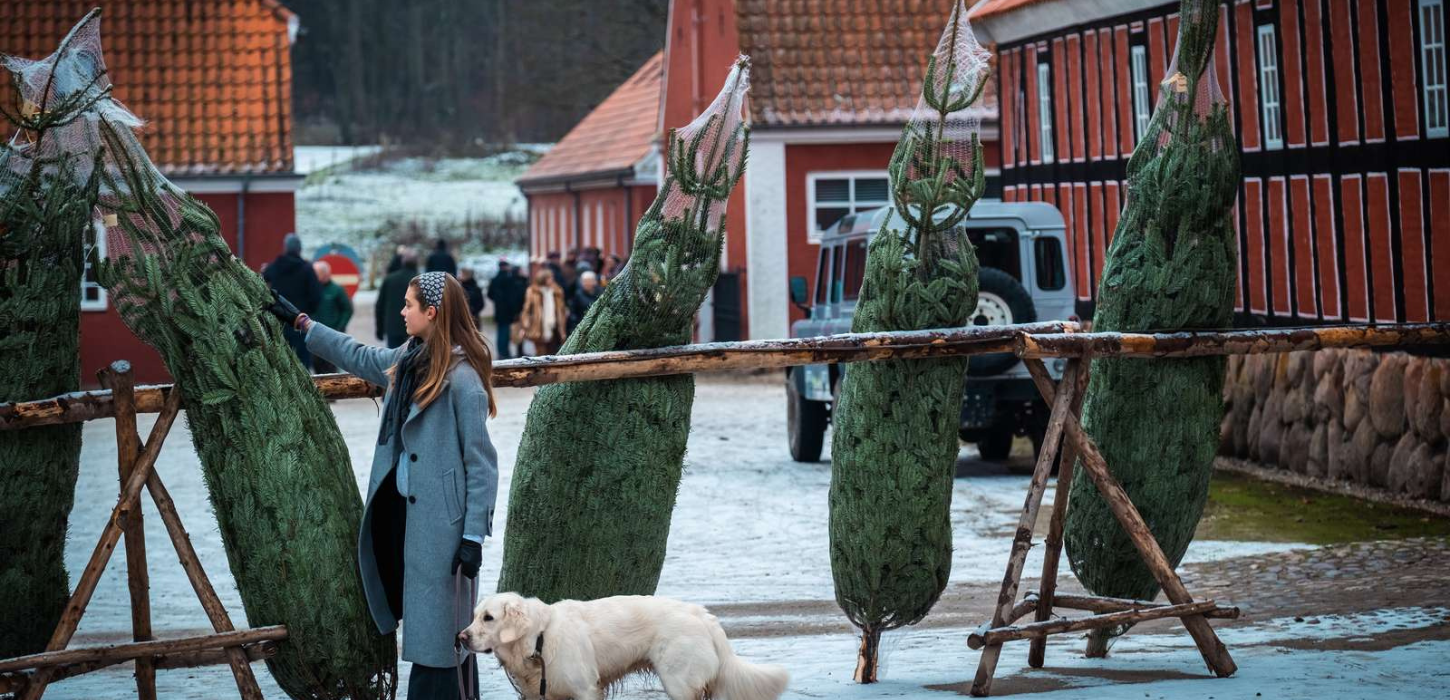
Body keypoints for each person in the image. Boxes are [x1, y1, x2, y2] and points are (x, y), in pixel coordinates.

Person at [266, 272, 498, 700]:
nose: (401, 311)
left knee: (440, 640)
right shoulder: (407, 360)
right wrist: (302, 323)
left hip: (443, 532)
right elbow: (357, 353)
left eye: (409, 305)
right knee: (424, 629)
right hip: (401, 519)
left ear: (431, 313)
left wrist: (471, 537)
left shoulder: (463, 380)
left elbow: (482, 464)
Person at [263, 232, 322, 369]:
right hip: (301, 323)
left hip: (279, 323)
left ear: (285, 248)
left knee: (281, 364)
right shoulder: (307, 269)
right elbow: (317, 297)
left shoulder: (275, 267)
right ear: (299, 249)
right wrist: (308, 312)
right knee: (303, 366)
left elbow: (262, 283)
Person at [311, 260, 354, 373]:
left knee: (331, 369)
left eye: (317, 273)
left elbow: (347, 310)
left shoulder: (337, 290)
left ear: (326, 274)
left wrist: (340, 327)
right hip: (314, 334)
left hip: (332, 336)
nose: (314, 276)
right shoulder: (312, 289)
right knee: (316, 368)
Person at [517, 268, 567, 355]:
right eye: (549, 278)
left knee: (552, 354)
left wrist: (562, 328)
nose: (552, 280)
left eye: (552, 277)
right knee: (540, 354)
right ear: (543, 279)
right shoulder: (532, 291)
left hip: (554, 327)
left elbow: (561, 310)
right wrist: (524, 327)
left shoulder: (557, 291)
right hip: (538, 327)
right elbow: (527, 310)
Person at [377, 250, 418, 348]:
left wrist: (379, 329)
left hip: (392, 327)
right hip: (414, 327)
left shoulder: (390, 279)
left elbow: (380, 305)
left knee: (393, 360)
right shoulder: (420, 280)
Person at [486, 260, 522, 360]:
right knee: (505, 332)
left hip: (499, 309)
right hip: (508, 310)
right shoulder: (509, 279)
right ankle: (504, 353)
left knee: (501, 331)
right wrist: (515, 310)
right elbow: (513, 297)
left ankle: (501, 352)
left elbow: (490, 294)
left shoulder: (495, 279)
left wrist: (497, 301)